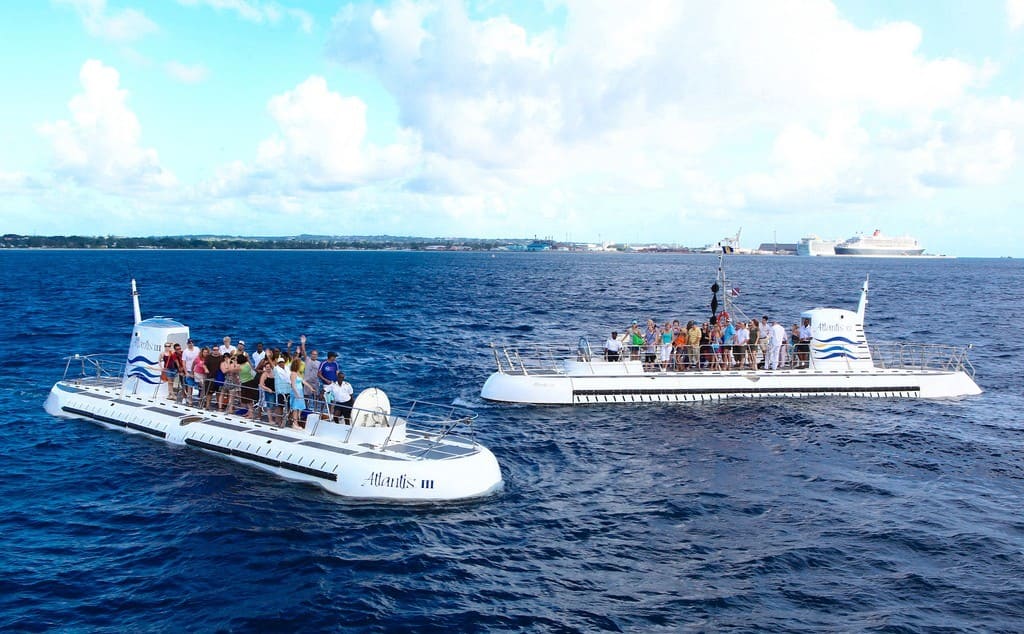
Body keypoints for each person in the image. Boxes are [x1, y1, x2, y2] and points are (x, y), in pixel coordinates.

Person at [289, 358, 313, 430]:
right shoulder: (293, 373)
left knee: (299, 407)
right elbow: (293, 385)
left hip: (300, 391)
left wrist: (310, 387)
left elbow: (303, 381)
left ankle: (296, 421)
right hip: (295, 392)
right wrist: (297, 394)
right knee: (295, 408)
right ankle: (295, 423)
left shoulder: (298, 373)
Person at [273, 356, 292, 427]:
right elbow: (272, 365)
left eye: (282, 362)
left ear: (284, 362)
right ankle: (279, 421)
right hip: (280, 391)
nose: (281, 364)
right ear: (277, 363)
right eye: (279, 362)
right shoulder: (276, 369)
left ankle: (289, 421)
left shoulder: (287, 369)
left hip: (288, 390)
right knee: (280, 407)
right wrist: (268, 357)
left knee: (289, 407)